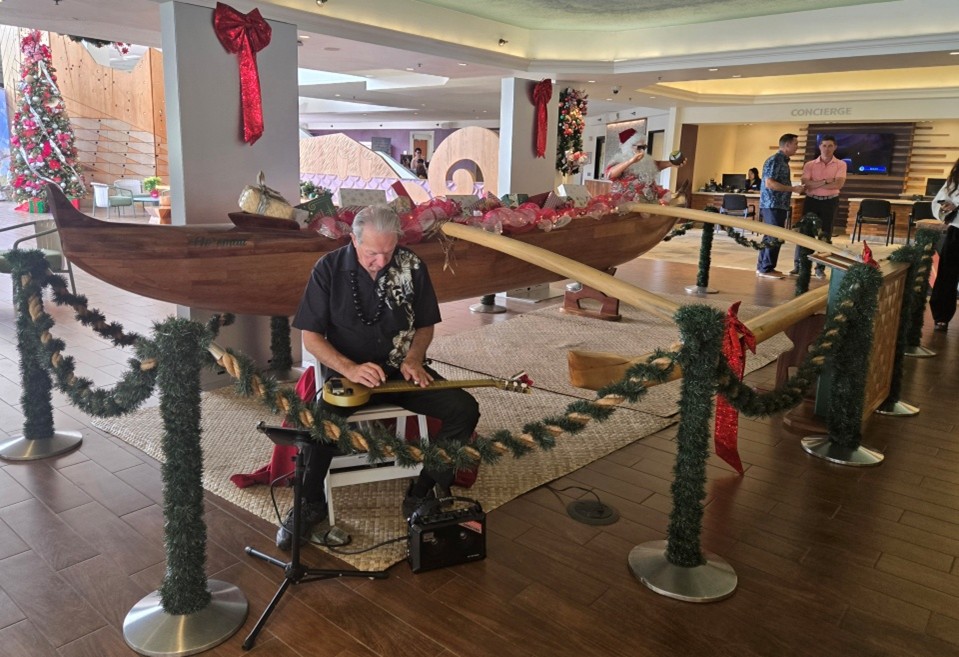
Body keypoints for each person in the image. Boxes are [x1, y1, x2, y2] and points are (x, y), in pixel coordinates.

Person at [280, 204, 480, 549]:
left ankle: (423, 488)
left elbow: (425, 325)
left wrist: (415, 358)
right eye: (373, 253)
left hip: (400, 371)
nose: (383, 261)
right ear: (354, 241)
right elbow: (311, 337)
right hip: (348, 379)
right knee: (320, 425)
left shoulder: (412, 265)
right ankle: (309, 504)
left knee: (464, 407)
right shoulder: (328, 269)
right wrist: (350, 368)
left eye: (389, 251)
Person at [790, 135, 846, 280]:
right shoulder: (810, 165)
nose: (827, 149)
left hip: (830, 202)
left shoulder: (841, 164)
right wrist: (826, 181)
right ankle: (799, 266)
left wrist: (816, 183)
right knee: (805, 234)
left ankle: (820, 268)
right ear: (819, 147)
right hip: (811, 201)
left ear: (835, 147)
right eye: (824, 145)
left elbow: (838, 185)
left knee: (825, 235)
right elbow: (806, 184)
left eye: (830, 146)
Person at [756, 133, 804, 279]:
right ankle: (767, 268)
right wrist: (793, 189)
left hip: (778, 205)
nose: (797, 147)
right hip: (773, 204)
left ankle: (763, 267)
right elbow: (769, 183)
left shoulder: (783, 161)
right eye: (795, 144)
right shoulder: (776, 160)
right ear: (787, 145)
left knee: (770, 236)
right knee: (774, 236)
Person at [605, 128, 685, 202]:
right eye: (639, 147)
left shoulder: (646, 160)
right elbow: (610, 174)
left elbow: (657, 165)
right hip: (626, 202)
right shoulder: (620, 160)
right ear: (628, 147)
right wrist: (630, 161)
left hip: (650, 200)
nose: (642, 151)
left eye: (644, 147)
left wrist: (672, 163)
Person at [930, 158, 959, 332]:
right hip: (957, 231)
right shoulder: (954, 181)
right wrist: (946, 207)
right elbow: (938, 202)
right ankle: (941, 316)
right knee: (947, 274)